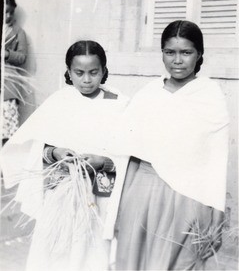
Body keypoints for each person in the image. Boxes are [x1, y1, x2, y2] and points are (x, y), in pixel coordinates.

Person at [106, 20, 229, 270]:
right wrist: (119, 208)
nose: (177, 60)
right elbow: (131, 156)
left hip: (188, 197)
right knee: (134, 260)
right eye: (169, 52)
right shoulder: (148, 94)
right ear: (161, 53)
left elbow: (216, 160)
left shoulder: (209, 95)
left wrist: (217, 217)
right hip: (143, 192)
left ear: (199, 54)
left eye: (186, 52)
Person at [0, 40, 128, 271]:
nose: (86, 80)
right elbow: (36, 145)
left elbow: (129, 153)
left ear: (104, 71)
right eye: (79, 73)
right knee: (57, 250)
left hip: (101, 194)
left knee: (94, 248)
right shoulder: (60, 102)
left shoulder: (118, 104)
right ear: (69, 72)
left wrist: (104, 162)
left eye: (93, 72)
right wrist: (55, 152)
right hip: (62, 193)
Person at [2, 0, 28, 145]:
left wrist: (7, 54)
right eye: (5, 12)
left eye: (11, 12)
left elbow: (22, 57)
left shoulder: (18, 32)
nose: (9, 16)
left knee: (6, 132)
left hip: (8, 86)